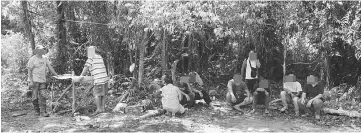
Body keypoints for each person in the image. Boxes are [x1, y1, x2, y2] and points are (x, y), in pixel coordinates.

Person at [27, 45, 59, 117]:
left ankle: (43, 112)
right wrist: (30, 81)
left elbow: (50, 67)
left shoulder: (45, 58)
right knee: (35, 96)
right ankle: (36, 111)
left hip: (42, 80)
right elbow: (29, 70)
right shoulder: (32, 59)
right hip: (34, 80)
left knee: (43, 95)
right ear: (37, 51)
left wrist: (56, 74)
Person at [79, 46, 109, 115]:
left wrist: (81, 75)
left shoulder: (91, 58)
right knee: (103, 94)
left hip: (99, 79)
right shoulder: (99, 56)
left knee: (97, 94)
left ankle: (98, 109)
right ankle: (103, 108)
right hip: (104, 78)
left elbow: (86, 67)